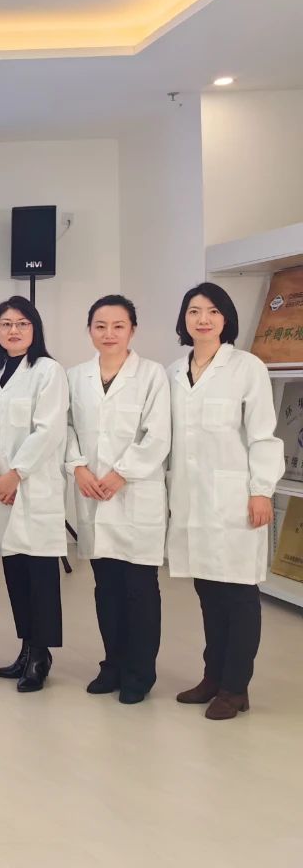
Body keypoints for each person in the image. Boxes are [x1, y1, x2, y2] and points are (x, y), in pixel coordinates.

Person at [167, 282, 283, 720]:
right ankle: (212, 677)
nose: (203, 319)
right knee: (208, 593)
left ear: (226, 318)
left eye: (213, 311)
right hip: (191, 500)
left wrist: (261, 490)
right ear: (184, 319)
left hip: (236, 501)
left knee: (238, 594)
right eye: (194, 311)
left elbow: (262, 435)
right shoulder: (173, 373)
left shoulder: (246, 367)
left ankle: (236, 688)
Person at [65, 295, 170, 705]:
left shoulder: (152, 375)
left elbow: (158, 434)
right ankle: (112, 664)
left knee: (139, 588)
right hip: (93, 492)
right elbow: (66, 427)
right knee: (105, 587)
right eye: (100, 326)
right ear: (89, 330)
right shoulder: (76, 376)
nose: (109, 334)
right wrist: (78, 467)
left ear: (132, 330)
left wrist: (120, 473)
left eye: (118, 326)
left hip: (135, 492)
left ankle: (139, 672)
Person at [0, 295, 69, 693]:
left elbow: (48, 431)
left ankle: (41, 655)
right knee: (16, 575)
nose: (13, 330)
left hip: (33, 489)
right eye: (6, 324)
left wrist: (14, 475)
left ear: (35, 329)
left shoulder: (49, 371)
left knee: (40, 577)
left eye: (21, 323)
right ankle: (25, 648)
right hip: (1, 491)